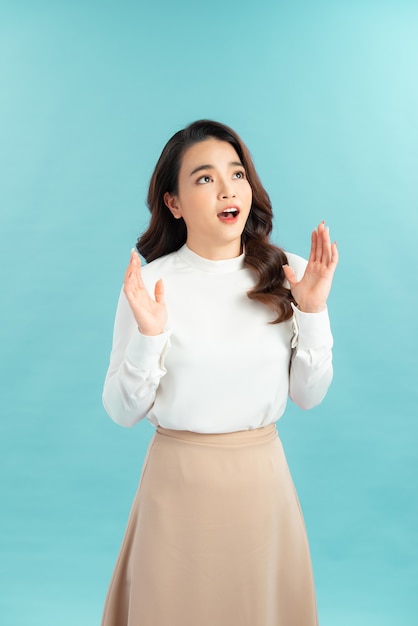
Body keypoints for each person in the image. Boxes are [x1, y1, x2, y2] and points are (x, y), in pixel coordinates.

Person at [101, 119, 338, 626]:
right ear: (174, 203)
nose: (228, 189)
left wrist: (313, 313)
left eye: (237, 174)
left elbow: (308, 396)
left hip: (261, 485)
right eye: (206, 178)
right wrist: (149, 337)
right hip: (177, 487)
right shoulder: (152, 285)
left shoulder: (288, 273)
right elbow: (122, 412)